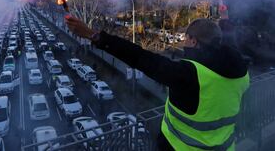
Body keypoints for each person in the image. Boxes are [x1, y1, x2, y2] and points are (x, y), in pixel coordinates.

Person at [65, 16, 249, 151]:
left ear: (193, 41)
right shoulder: (241, 72)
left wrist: (93, 35)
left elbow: (140, 57)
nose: (183, 43)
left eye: (186, 39)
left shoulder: (190, 75)